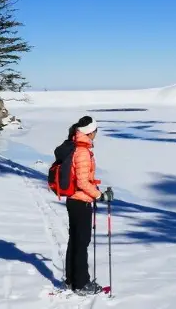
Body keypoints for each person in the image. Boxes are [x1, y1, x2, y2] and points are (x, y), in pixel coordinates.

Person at [55, 116, 114, 295]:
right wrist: (100, 195)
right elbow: (82, 181)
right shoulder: (81, 151)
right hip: (80, 201)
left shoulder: (77, 147)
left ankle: (71, 280)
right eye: (96, 130)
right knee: (81, 242)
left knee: (75, 240)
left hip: (74, 200)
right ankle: (81, 284)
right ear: (91, 131)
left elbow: (81, 179)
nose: (96, 134)